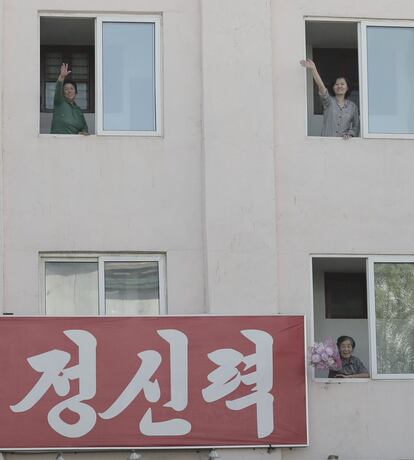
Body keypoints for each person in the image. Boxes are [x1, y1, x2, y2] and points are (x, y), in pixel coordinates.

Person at [300, 58, 359, 139]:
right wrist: (313, 69)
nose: (339, 86)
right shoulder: (329, 101)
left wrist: (350, 134)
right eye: (336, 84)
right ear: (333, 87)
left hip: (344, 145)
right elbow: (321, 87)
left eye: (342, 84)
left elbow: (356, 127)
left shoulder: (353, 107)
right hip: (326, 144)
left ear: (347, 87)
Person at [50, 63, 88, 135]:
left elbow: (84, 128)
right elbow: (58, 89)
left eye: (72, 89)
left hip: (74, 144)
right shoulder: (59, 102)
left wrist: (83, 133)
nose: (69, 91)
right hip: (57, 142)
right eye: (66, 89)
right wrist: (61, 77)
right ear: (62, 92)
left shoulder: (78, 111)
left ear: (76, 92)